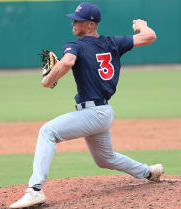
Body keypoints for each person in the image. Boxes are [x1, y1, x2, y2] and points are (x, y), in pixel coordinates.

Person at [10, 2, 163, 208]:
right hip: (103, 112)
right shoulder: (113, 42)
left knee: (47, 132)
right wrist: (141, 25)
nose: (73, 22)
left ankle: (34, 190)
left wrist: (48, 80)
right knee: (105, 159)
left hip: (93, 113)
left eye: (78, 20)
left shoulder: (75, 45)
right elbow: (150, 36)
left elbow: (67, 62)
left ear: (91, 25)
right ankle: (149, 172)